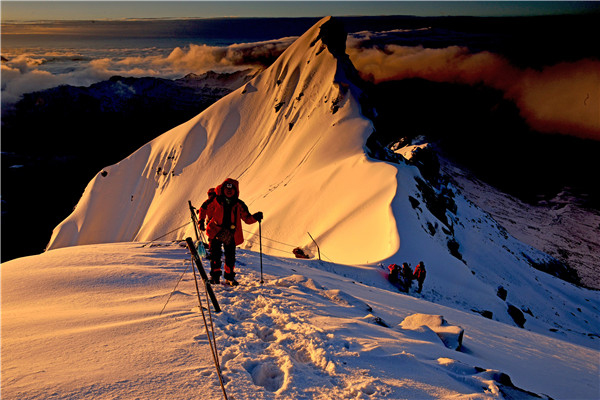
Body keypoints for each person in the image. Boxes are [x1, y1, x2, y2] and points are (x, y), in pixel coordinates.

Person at [199, 178, 263, 286]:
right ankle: (216, 277)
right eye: (227, 188)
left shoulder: (238, 204)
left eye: (231, 189)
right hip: (216, 232)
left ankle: (228, 277)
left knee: (230, 257)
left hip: (230, 234)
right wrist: (201, 220)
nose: (229, 191)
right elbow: (203, 208)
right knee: (215, 255)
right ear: (223, 189)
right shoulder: (216, 200)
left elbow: (247, 218)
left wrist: (255, 217)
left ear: (235, 190)